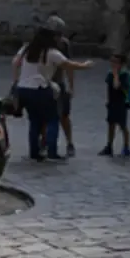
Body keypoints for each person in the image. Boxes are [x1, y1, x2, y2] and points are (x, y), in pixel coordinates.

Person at [12, 28, 92, 162]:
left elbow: (15, 63)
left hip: (24, 89)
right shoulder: (51, 52)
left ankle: (34, 152)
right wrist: (85, 65)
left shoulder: (26, 49)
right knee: (52, 119)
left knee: (34, 121)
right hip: (40, 88)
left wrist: (16, 80)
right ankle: (52, 152)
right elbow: (68, 65)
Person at [46, 15, 76, 158]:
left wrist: (71, 85)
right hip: (44, 83)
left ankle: (69, 142)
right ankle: (44, 141)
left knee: (64, 115)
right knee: (44, 116)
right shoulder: (42, 44)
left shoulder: (64, 44)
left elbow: (69, 66)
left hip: (58, 82)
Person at [101, 53, 130, 158]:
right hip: (112, 103)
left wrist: (116, 74)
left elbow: (117, 86)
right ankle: (109, 146)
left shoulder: (124, 75)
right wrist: (108, 102)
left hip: (121, 104)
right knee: (111, 124)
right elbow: (109, 88)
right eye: (112, 61)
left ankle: (126, 147)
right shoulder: (109, 74)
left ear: (122, 64)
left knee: (122, 126)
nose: (113, 64)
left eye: (116, 62)